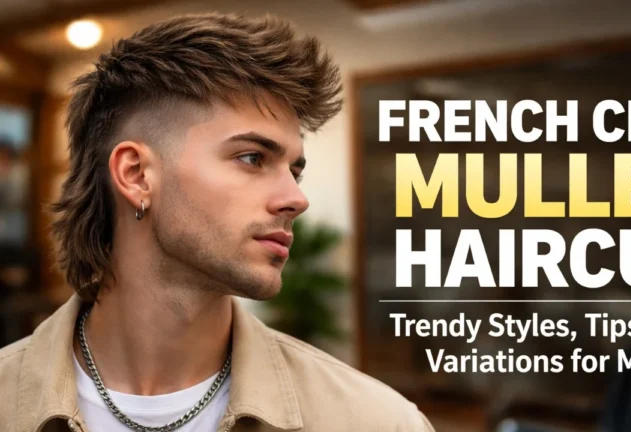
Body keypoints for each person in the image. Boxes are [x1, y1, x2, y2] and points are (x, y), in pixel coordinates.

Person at [0, 13, 435, 432]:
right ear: (135, 175)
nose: (295, 199)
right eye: (252, 158)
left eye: (294, 170)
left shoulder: (377, 422)